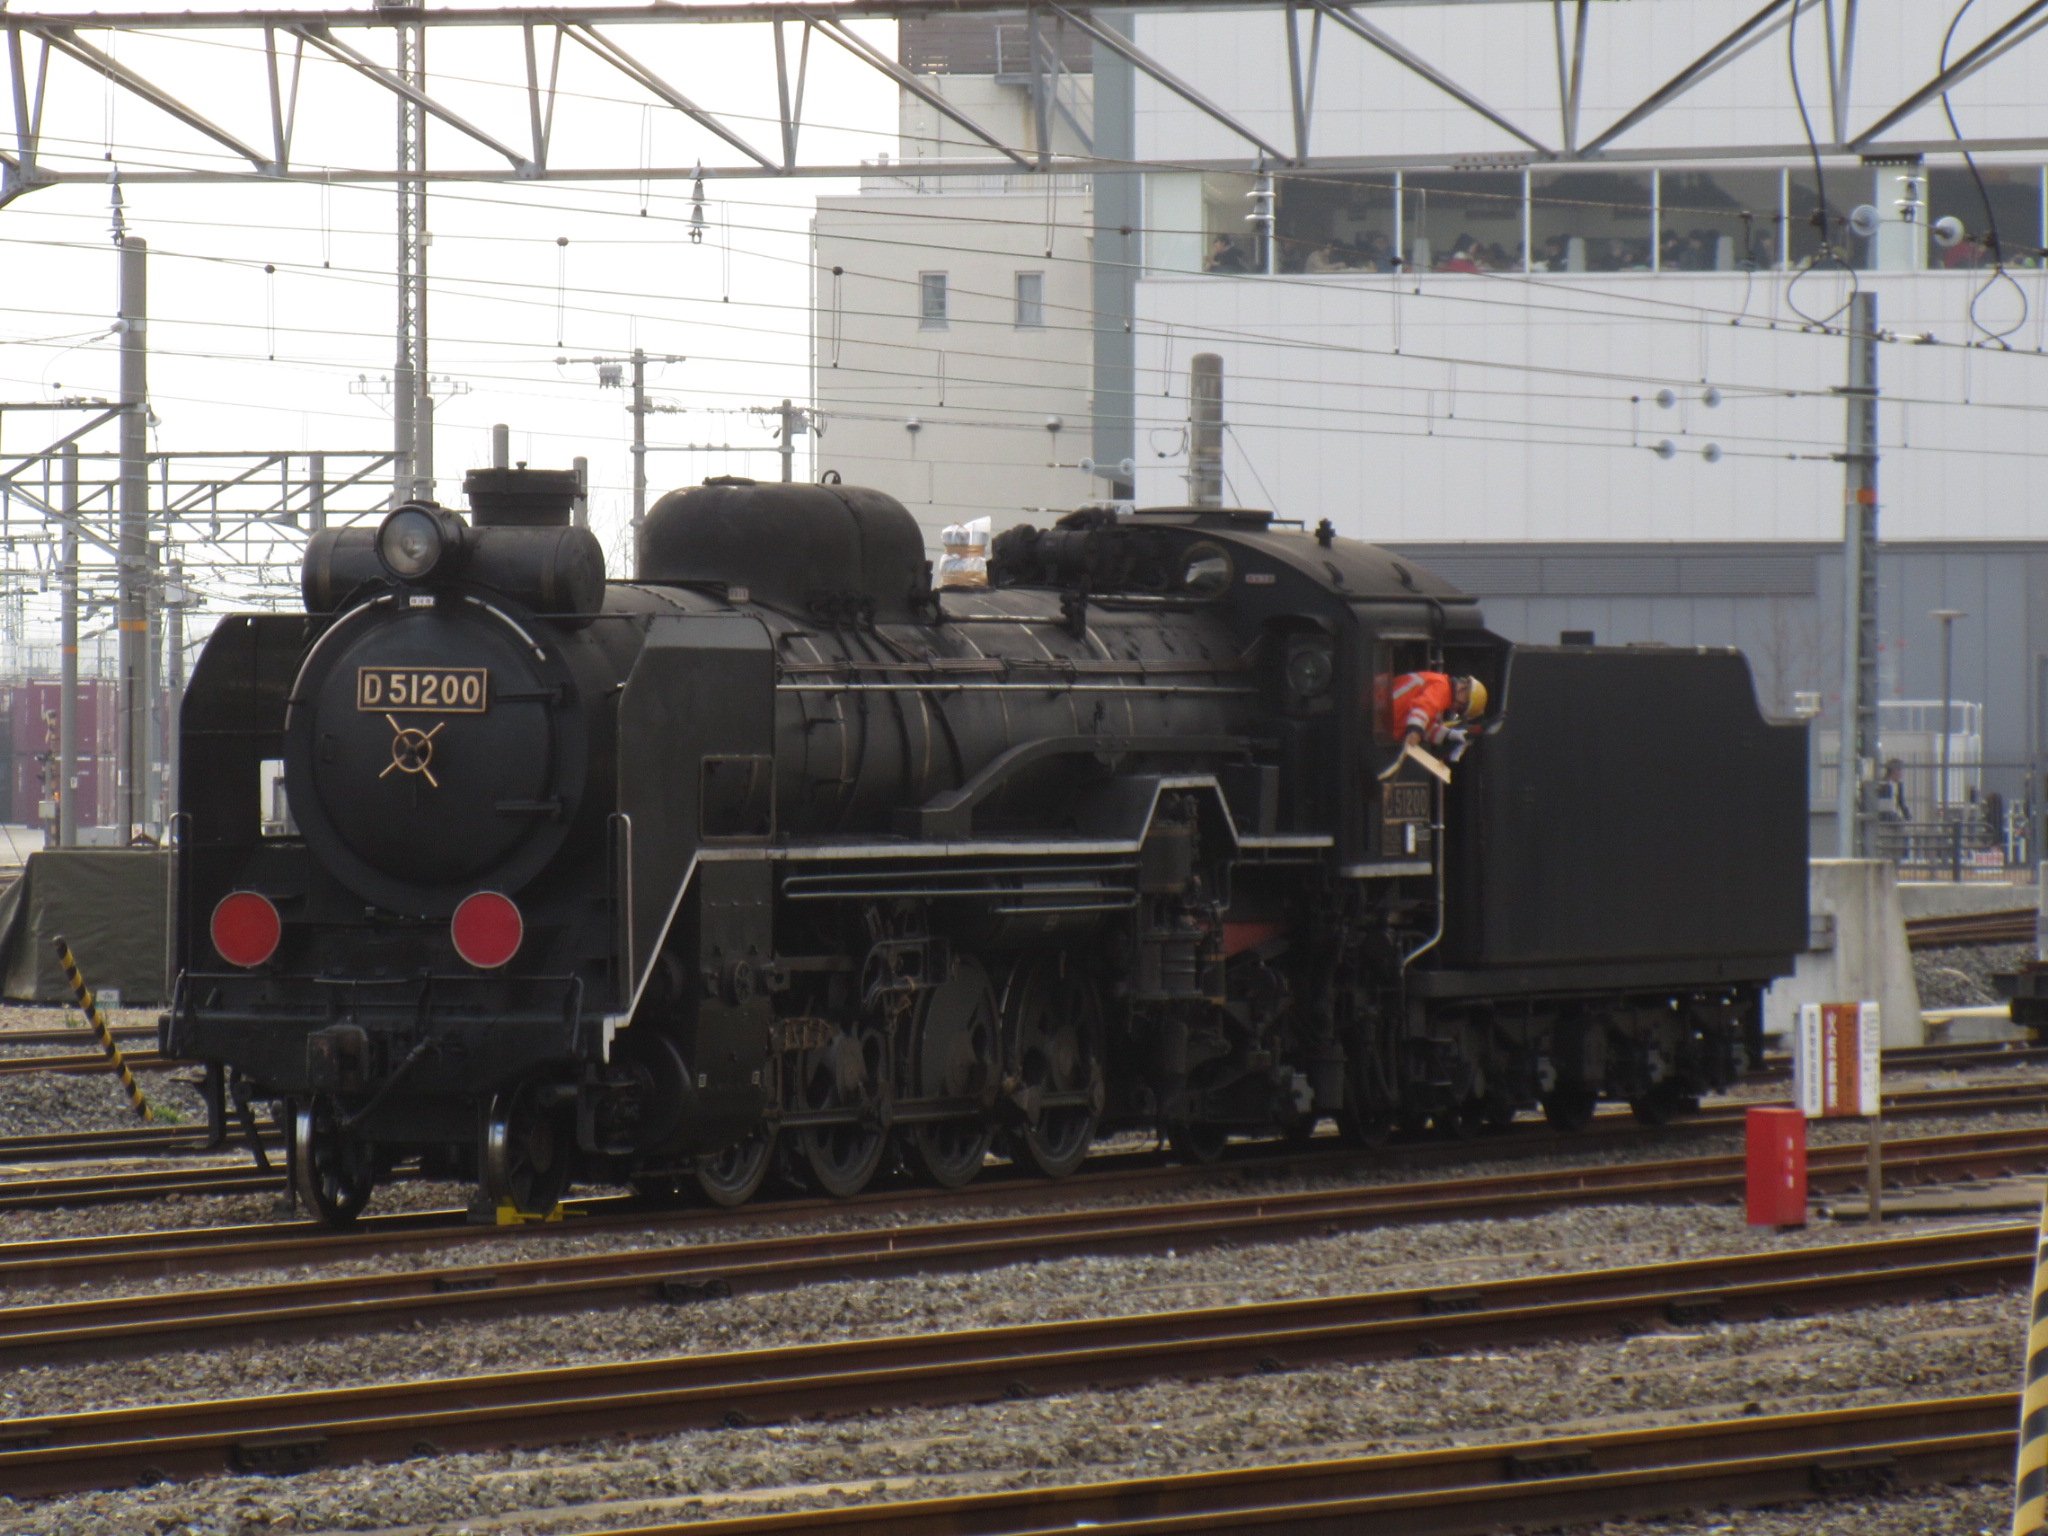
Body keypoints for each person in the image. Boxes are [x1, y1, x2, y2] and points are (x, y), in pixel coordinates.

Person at [1379, 672, 1489, 762]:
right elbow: (1423, 708)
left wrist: (1449, 735)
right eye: (1460, 709)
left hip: (1381, 720)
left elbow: (1425, 727)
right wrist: (1415, 730)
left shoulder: (1441, 692)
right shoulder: (1442, 688)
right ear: (1463, 691)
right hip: (1378, 715)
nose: (1455, 710)